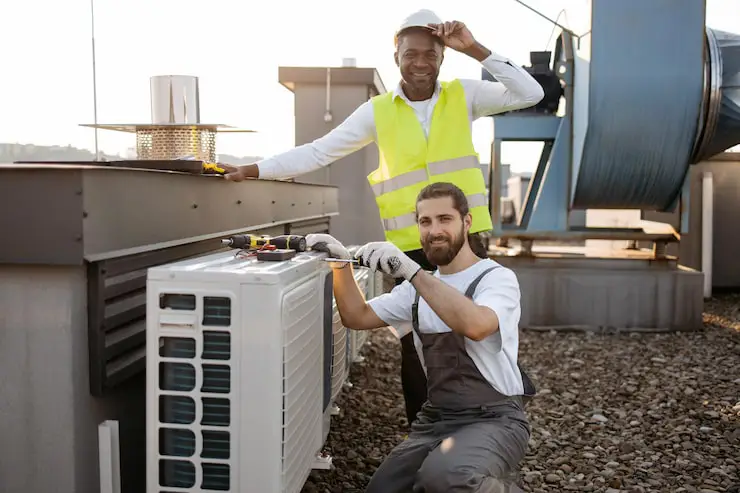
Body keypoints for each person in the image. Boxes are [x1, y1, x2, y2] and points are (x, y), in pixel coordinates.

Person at [220, 9, 544, 427]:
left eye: (431, 53)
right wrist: (255, 169)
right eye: (411, 54)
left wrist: (474, 47)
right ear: (396, 57)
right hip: (412, 248)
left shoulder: (464, 95)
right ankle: (423, 432)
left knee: (474, 336)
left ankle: (487, 421)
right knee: (416, 347)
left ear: (443, 57)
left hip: (466, 243)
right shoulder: (378, 111)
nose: (421, 63)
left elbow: (529, 93)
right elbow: (320, 151)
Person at [306, 182, 534, 493]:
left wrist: (412, 271)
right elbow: (356, 316)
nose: (434, 230)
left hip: (494, 418)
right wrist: (339, 262)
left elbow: (477, 325)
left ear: (467, 223)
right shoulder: (415, 291)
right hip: (436, 418)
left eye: (445, 219)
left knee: (446, 478)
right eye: (425, 221)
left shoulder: (495, 278)